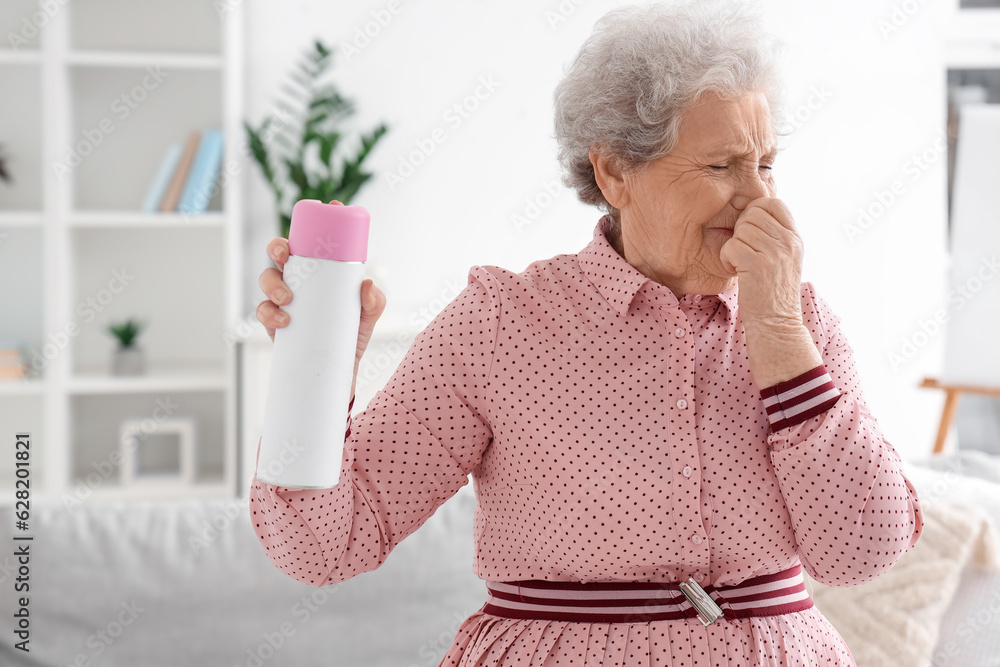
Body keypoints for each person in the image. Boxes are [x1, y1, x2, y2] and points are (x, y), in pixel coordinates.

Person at [250, 1, 923, 665]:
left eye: (765, 164)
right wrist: (310, 379)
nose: (761, 198)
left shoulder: (801, 320)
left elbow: (862, 550)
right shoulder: (500, 323)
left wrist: (777, 329)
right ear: (614, 172)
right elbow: (324, 545)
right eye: (721, 167)